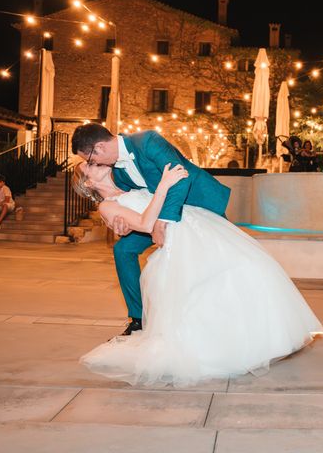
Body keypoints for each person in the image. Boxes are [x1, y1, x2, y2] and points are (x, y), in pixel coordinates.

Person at [72, 161, 323, 386]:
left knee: (249, 267)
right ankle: (222, 348)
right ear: (89, 183)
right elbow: (147, 224)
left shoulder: (127, 185)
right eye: (90, 167)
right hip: (179, 242)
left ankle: (265, 339)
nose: (95, 163)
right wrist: (163, 186)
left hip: (197, 225)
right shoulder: (107, 206)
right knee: (205, 290)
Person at [71, 124, 231, 336]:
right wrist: (121, 224)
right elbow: (128, 202)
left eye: (91, 160)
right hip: (154, 216)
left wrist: (161, 222)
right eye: (90, 164)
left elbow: (180, 176)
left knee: (222, 257)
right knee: (123, 249)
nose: (94, 163)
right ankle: (138, 318)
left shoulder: (146, 141)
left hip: (194, 203)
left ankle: (222, 309)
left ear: (99, 148)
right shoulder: (114, 171)